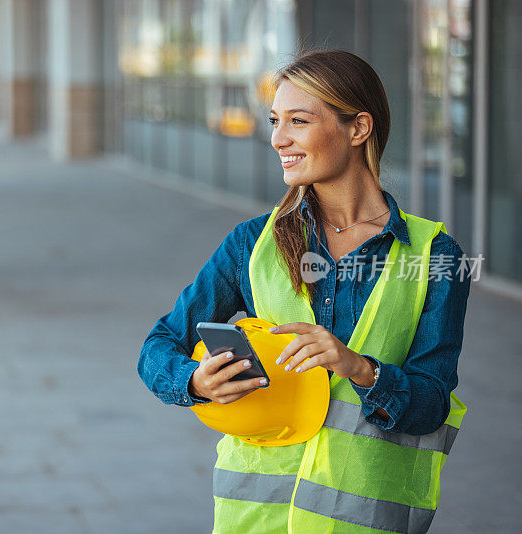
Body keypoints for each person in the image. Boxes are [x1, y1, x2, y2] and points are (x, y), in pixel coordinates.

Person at [137, 49, 471, 534]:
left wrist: (358, 367)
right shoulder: (252, 244)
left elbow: (432, 405)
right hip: (252, 519)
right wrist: (195, 382)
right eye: (275, 120)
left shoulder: (433, 255)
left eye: (298, 121)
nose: (278, 139)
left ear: (358, 129)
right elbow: (158, 344)